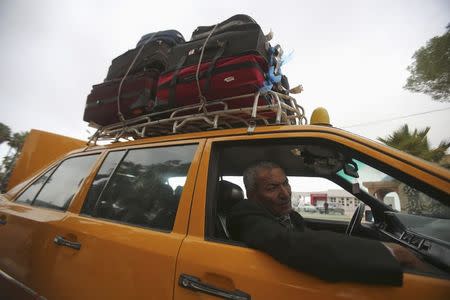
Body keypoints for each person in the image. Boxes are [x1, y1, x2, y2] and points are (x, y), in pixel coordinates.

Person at [227, 161, 425, 285]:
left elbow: (312, 235)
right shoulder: (245, 216)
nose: (285, 193)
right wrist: (388, 252)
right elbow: (296, 244)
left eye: (285, 183)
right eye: (272, 187)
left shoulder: (290, 216)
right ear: (252, 195)